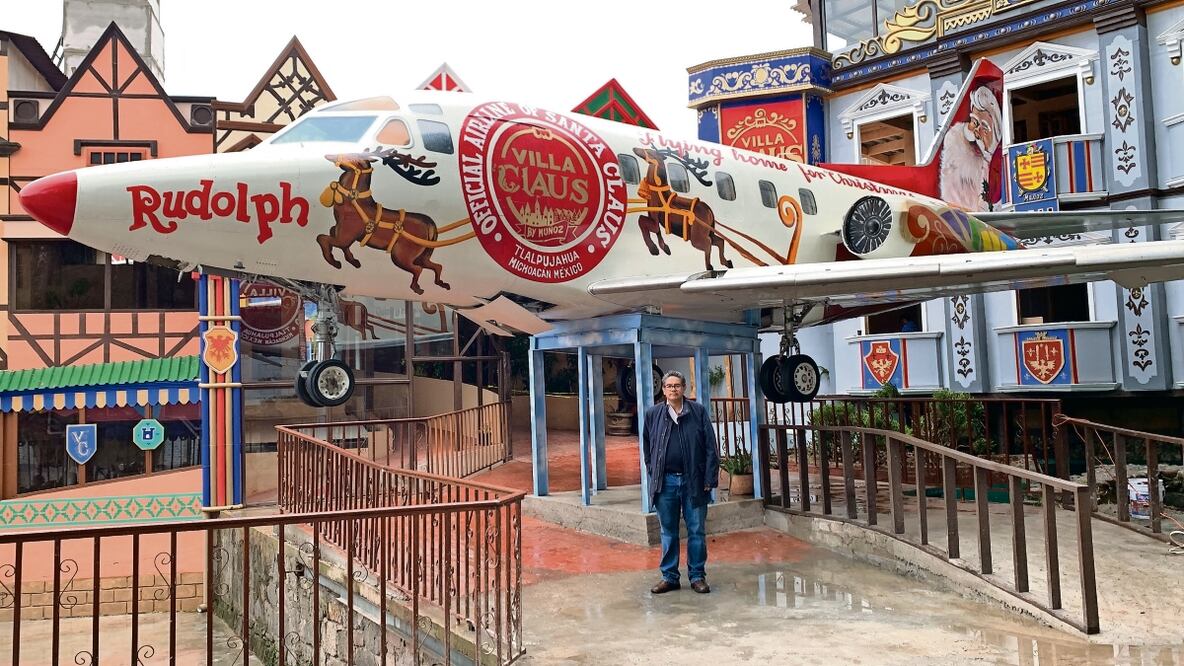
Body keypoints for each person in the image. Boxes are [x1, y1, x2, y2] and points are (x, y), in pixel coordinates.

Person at [643, 370, 720, 594]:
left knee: (696, 530)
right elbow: (647, 447)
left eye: (677, 385)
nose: (673, 389)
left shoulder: (698, 412)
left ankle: (697, 576)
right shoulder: (653, 414)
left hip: (693, 481)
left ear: (684, 388)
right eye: (669, 386)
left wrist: (709, 478)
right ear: (663, 389)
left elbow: (710, 448)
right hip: (665, 483)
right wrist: (654, 472)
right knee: (668, 531)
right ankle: (669, 577)